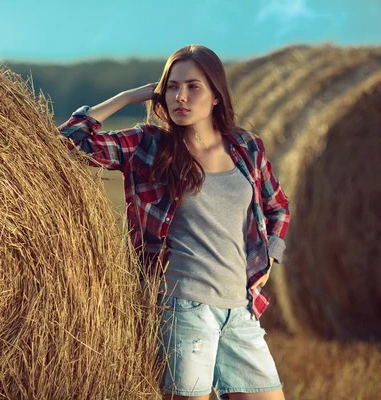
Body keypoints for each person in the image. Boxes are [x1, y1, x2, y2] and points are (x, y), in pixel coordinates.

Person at [58, 45, 290, 400]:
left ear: (215, 95)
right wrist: (126, 97)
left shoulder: (246, 147)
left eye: (193, 86)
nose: (180, 96)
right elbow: (69, 142)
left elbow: (278, 207)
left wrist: (270, 257)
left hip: (241, 311)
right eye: (171, 86)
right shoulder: (149, 145)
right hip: (184, 309)